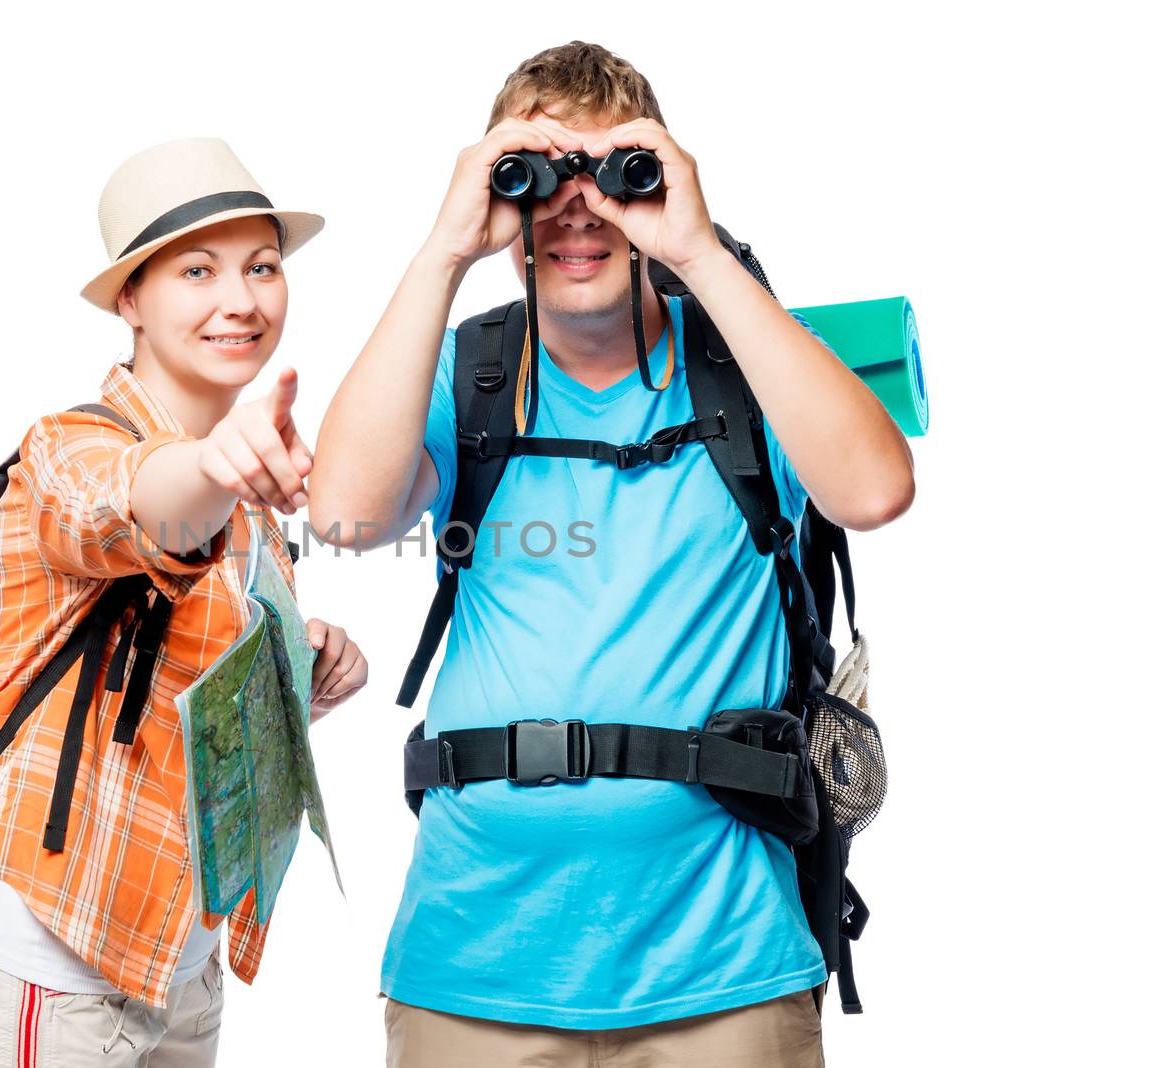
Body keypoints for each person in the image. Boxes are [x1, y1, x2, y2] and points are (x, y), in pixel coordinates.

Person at [309, 42, 914, 1067]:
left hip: (723, 965)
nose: (577, 207)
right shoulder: (469, 375)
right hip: (475, 966)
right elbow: (344, 515)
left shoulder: (748, 357)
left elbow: (872, 491)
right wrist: (441, 252)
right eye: (541, 176)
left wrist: (700, 256)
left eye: (614, 171)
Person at [0, 137, 368, 1066]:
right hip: (43, 958)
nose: (239, 300)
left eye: (262, 267)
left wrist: (302, 671)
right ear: (130, 299)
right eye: (196, 271)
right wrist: (207, 465)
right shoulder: (69, 448)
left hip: (175, 966)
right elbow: (127, 505)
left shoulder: (254, 505)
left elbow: (183, 723)